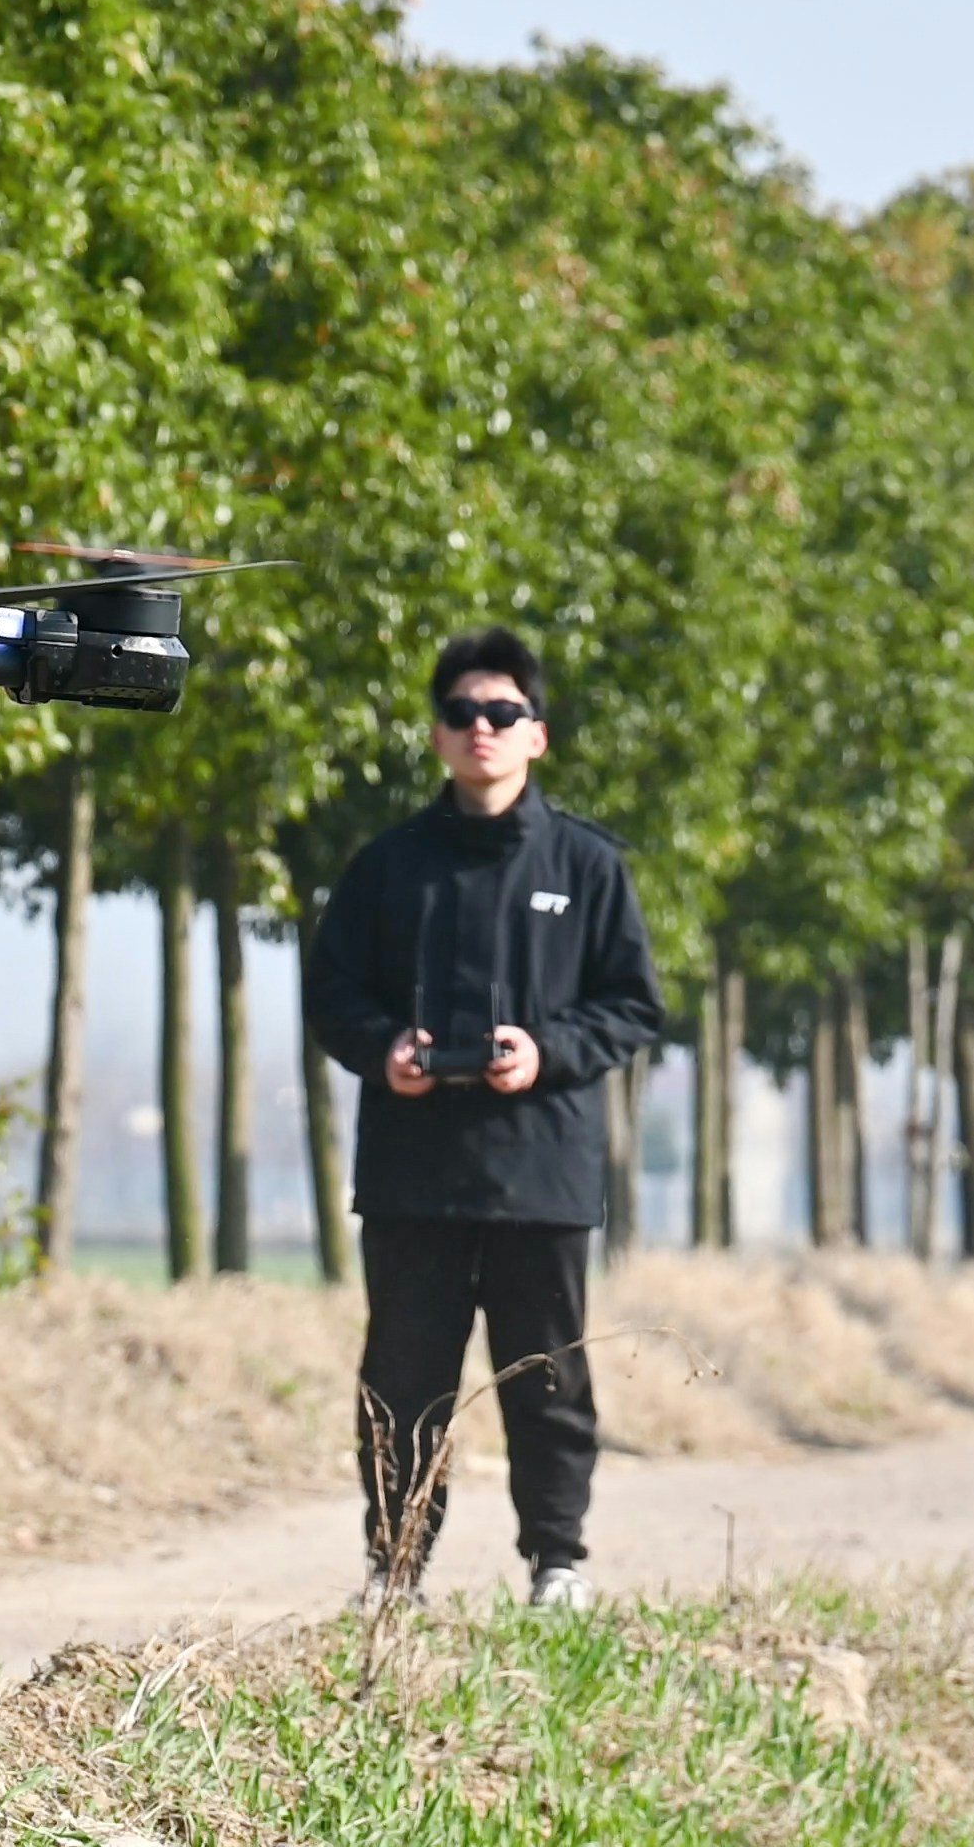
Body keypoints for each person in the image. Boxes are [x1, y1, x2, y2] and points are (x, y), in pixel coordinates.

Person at [301, 626, 662, 1610]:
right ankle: (396, 1570)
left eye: (504, 714)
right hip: (414, 1172)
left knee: (546, 1379)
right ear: (437, 736)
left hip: (540, 1173)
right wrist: (386, 1051)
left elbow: (633, 1006)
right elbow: (331, 993)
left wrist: (547, 1051)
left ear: (537, 735)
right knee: (404, 1380)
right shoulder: (387, 868)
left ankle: (559, 1564)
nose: (483, 731)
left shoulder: (589, 869)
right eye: (462, 714)